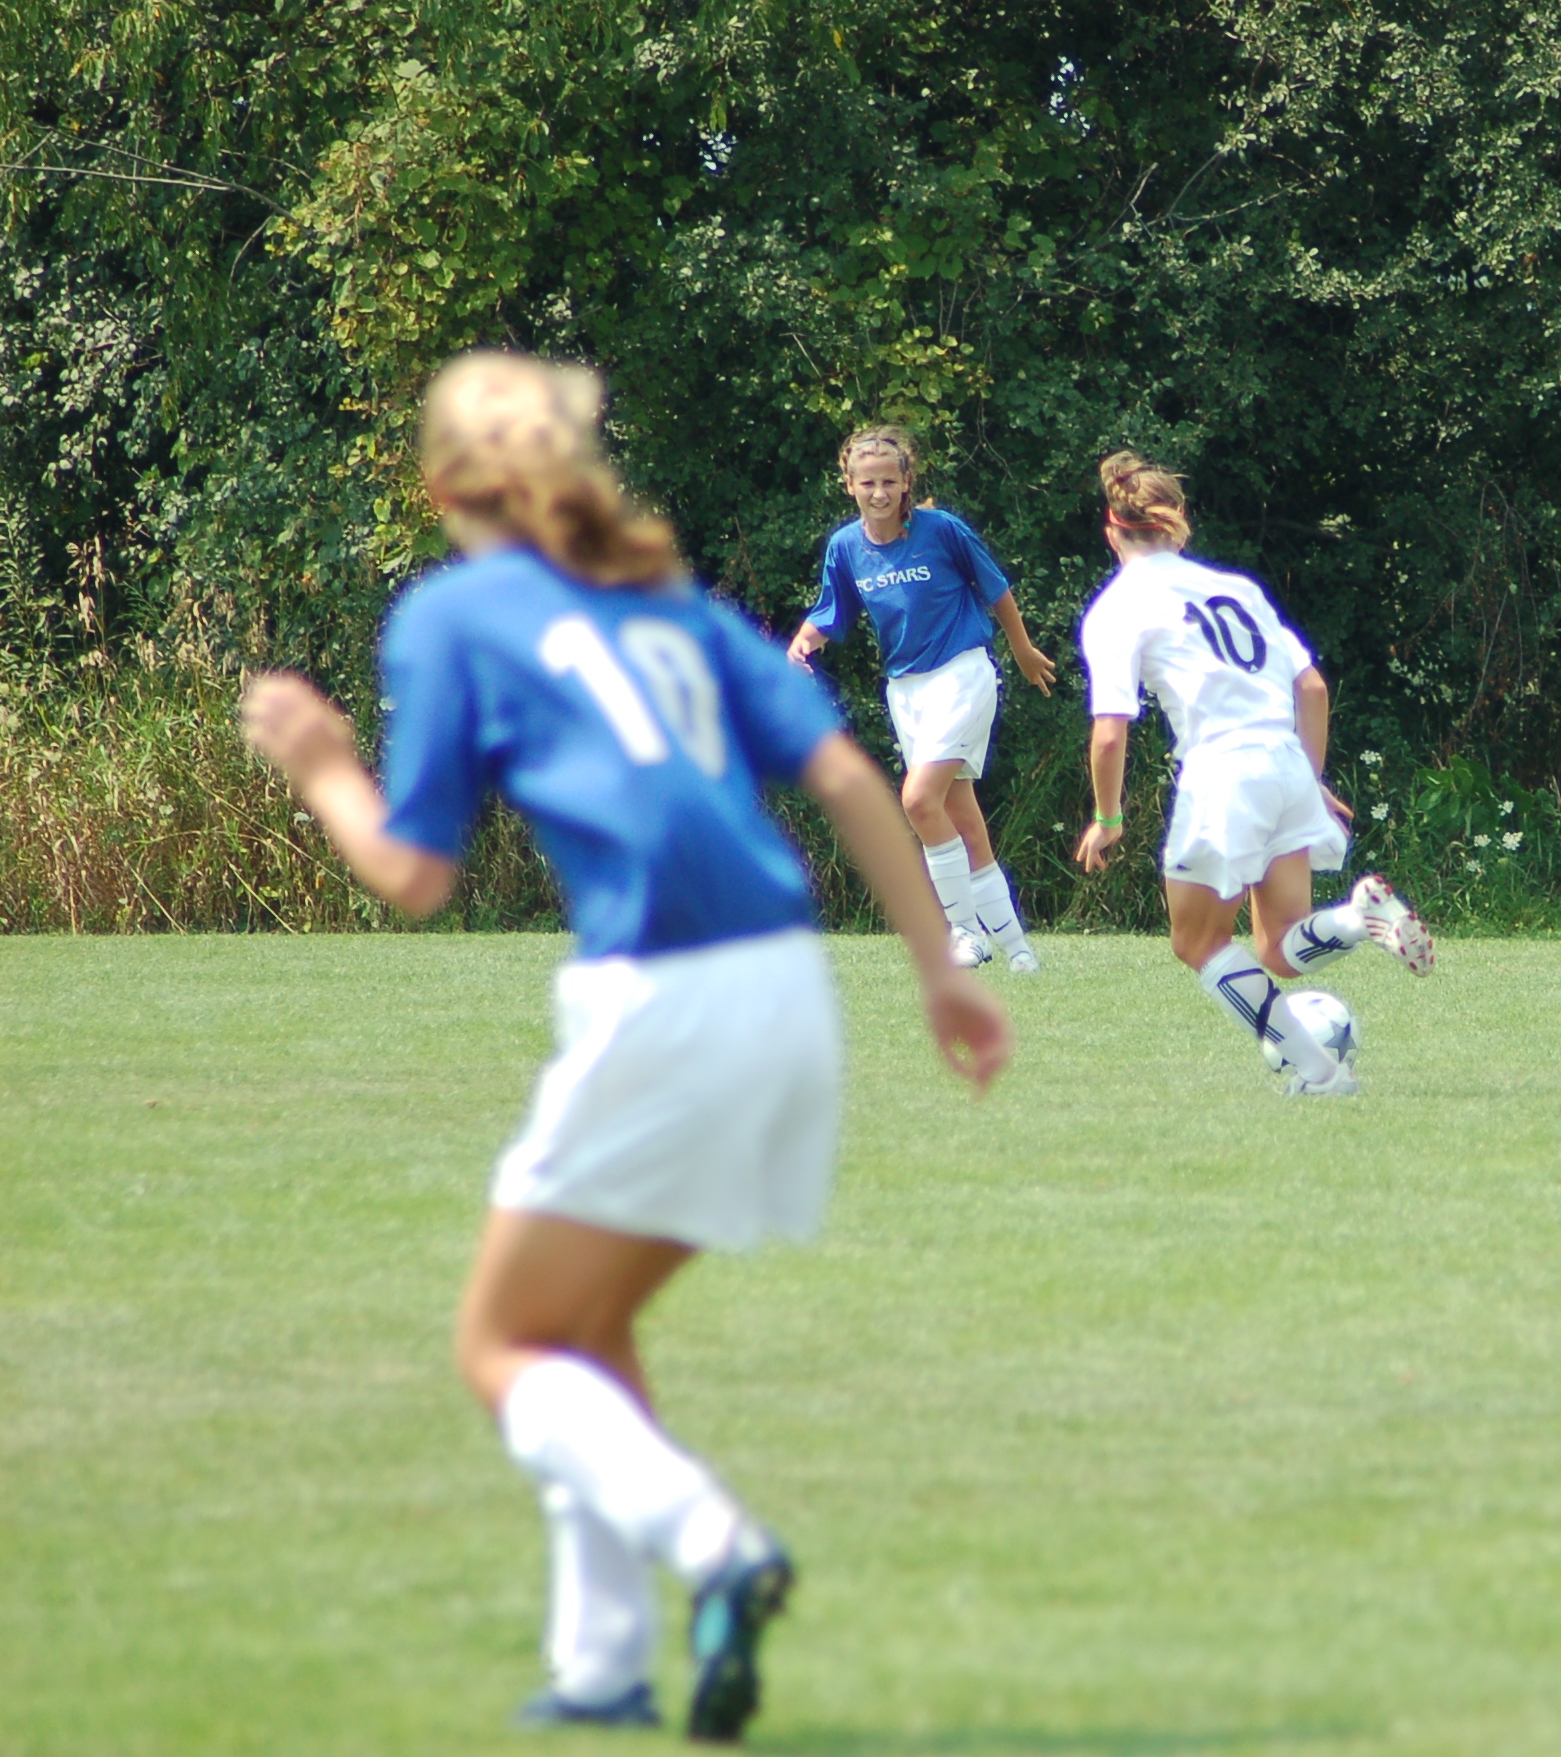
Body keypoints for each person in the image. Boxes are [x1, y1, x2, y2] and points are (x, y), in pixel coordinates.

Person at [238, 352, 1010, 1739]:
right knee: (583, 1334)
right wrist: (941, 974)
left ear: (441, 486)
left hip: (661, 993)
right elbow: (843, 775)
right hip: (786, 989)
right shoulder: (669, 602)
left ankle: (718, 1545)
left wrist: (320, 763)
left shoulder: (457, 613)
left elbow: (414, 872)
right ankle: (600, 1667)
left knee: (499, 1345)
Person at [1070, 452, 1432, 1093]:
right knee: (1278, 947)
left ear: (1112, 531)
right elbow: (1312, 688)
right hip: (1286, 762)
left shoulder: (1118, 607)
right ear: (1178, 525)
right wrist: (1312, 783)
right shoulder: (1237, 589)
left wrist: (1107, 817)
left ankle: (1320, 1073)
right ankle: (1358, 918)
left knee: (1197, 943)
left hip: (1224, 773)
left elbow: (1109, 733)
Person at [787, 425, 1059, 971]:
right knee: (960, 817)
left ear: (907, 481)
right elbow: (832, 610)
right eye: (868, 483)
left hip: (961, 674)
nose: (879, 492)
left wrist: (1023, 649)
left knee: (917, 800)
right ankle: (1018, 950)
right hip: (905, 691)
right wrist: (804, 640)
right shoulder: (845, 546)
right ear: (849, 484)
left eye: (889, 481)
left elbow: (996, 588)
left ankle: (965, 932)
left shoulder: (942, 530)